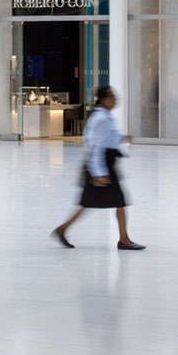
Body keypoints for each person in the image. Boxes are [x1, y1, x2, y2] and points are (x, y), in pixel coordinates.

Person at [52, 86, 144, 250]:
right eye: (112, 97)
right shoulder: (101, 118)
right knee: (114, 201)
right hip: (101, 167)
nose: (115, 99)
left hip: (104, 165)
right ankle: (124, 240)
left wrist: (123, 138)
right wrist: (99, 173)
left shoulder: (104, 116)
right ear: (103, 99)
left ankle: (63, 229)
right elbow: (96, 147)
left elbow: (108, 139)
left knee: (95, 203)